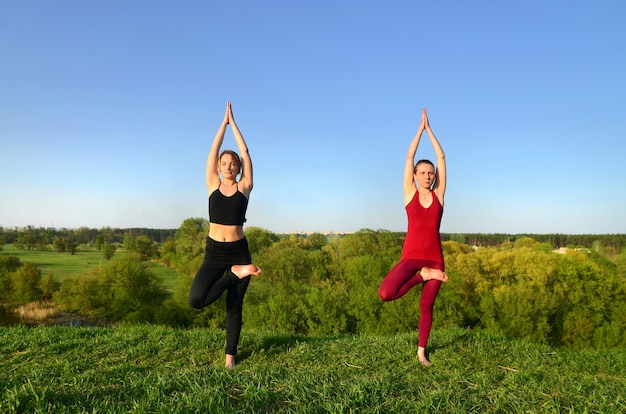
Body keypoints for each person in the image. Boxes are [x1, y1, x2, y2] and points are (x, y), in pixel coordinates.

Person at [188, 102, 261, 369]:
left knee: (234, 305)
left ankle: (230, 357)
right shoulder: (212, 185)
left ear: (239, 168)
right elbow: (213, 149)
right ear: (219, 167)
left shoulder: (245, 187)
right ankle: (236, 273)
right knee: (197, 300)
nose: (229, 166)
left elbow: (245, 150)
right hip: (214, 254)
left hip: (239, 251)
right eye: (224, 163)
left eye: (233, 164)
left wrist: (236, 124)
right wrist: (224, 123)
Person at [378, 108, 448, 366]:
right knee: (386, 293)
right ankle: (423, 276)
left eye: (431, 173)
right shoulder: (410, 193)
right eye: (423, 173)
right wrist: (420, 131)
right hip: (411, 258)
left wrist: (432, 132)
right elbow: (409, 157)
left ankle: (421, 352)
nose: (428, 176)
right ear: (416, 176)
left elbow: (441, 156)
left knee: (426, 306)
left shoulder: (439, 195)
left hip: (435, 259)